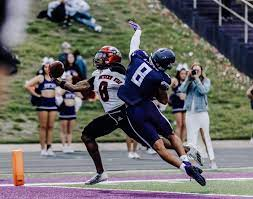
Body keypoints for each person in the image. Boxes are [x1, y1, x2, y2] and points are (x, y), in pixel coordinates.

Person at [117, 21, 206, 186]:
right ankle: (186, 160)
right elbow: (163, 98)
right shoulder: (161, 77)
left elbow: (133, 45)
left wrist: (138, 31)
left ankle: (183, 168)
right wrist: (166, 85)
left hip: (132, 111)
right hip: (148, 107)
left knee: (158, 146)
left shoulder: (137, 58)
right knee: (171, 135)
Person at [55, 46, 149, 185]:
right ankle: (186, 150)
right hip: (119, 115)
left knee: (87, 135)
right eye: (99, 56)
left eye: (102, 56)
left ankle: (101, 173)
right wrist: (59, 82)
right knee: (150, 142)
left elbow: (127, 75)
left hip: (119, 112)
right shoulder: (98, 75)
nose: (98, 59)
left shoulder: (118, 69)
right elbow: (76, 87)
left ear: (111, 58)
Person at [179, 63, 217, 169]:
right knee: (191, 139)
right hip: (190, 114)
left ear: (201, 71)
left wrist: (196, 79)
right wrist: (188, 78)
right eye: (194, 70)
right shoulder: (189, 81)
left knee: (206, 136)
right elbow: (181, 89)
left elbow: (203, 91)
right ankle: (195, 163)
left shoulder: (206, 81)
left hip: (202, 112)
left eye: (198, 70)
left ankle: (212, 160)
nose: (196, 72)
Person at [25, 57, 57, 156]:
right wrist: (37, 95)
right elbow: (27, 86)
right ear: (43, 67)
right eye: (45, 67)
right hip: (42, 104)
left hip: (52, 104)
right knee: (43, 127)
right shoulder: (40, 77)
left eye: (49, 67)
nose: (47, 69)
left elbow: (63, 86)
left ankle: (49, 147)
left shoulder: (55, 78)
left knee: (50, 127)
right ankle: (43, 148)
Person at [56, 74, 82, 153]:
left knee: (70, 131)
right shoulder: (62, 89)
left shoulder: (73, 89)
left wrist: (75, 89)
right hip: (64, 111)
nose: (69, 81)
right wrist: (66, 86)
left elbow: (80, 96)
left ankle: (69, 146)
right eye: (67, 80)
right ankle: (63, 146)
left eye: (70, 80)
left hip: (72, 111)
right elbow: (59, 94)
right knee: (63, 130)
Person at [169, 64, 188, 142]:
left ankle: (183, 143)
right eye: (182, 73)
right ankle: (177, 143)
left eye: (185, 73)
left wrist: (185, 95)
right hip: (177, 104)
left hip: (185, 104)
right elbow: (168, 87)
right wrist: (170, 96)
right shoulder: (175, 80)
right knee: (179, 124)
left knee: (185, 124)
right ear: (178, 73)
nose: (183, 75)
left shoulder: (188, 82)